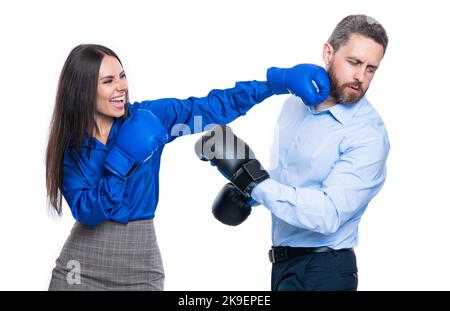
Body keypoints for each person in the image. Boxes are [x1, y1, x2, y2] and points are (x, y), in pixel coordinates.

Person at [45, 44, 330, 290]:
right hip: (81, 264)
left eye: (122, 76)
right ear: (84, 90)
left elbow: (209, 108)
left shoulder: (151, 117)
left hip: (138, 259)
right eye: (108, 81)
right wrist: (121, 162)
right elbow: (87, 212)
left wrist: (275, 83)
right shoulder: (72, 145)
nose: (122, 86)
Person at [196, 14, 389, 291]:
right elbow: (292, 180)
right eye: (354, 62)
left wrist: (254, 183)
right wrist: (248, 193)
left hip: (326, 270)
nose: (361, 77)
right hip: (282, 266)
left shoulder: (368, 134)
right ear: (328, 53)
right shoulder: (294, 106)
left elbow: (328, 213)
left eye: (371, 69)